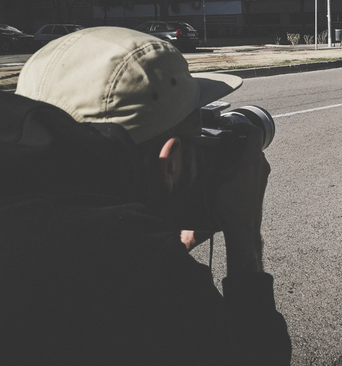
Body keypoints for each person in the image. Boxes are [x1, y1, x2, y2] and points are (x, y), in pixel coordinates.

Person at [0, 27, 291, 365]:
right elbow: (257, 356)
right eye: (198, 138)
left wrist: (170, 238)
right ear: (170, 161)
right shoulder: (149, 275)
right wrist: (244, 233)